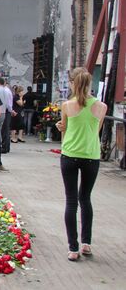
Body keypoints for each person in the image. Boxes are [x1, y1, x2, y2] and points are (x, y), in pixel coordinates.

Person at [56, 67, 106, 261]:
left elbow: (64, 129)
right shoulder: (101, 107)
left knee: (71, 201)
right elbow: (96, 130)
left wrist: (62, 126)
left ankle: (72, 248)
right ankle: (86, 243)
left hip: (69, 154)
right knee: (85, 199)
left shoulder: (67, 105)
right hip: (91, 155)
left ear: (73, 84)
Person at [0, 77, 14, 153]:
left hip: (2, 111)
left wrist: (11, 110)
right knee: (4, 130)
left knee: (3, 130)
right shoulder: (7, 90)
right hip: (5, 110)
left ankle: (3, 147)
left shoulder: (0, 91)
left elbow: (8, 103)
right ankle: (5, 147)